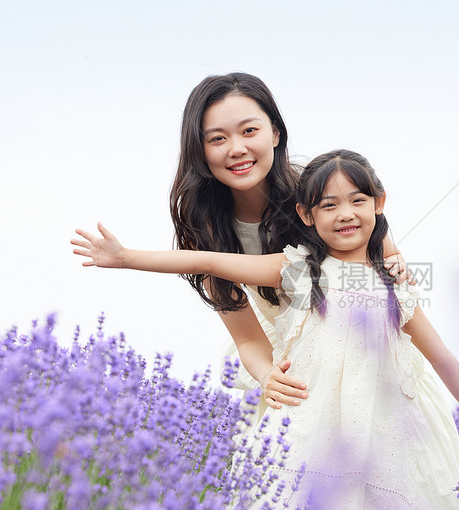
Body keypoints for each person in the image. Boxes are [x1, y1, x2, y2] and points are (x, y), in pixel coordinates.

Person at [72, 149, 459, 510]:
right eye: (329, 205)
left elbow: (440, 354)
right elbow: (209, 259)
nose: (345, 214)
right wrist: (125, 258)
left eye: (358, 200)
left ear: (379, 203)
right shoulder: (297, 269)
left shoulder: (396, 285)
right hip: (309, 419)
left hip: (381, 426)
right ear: (306, 215)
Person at [167, 73, 411, 412]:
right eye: (218, 138)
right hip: (280, 352)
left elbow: (386, 256)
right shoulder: (206, 229)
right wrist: (269, 376)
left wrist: (397, 262)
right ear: (200, 149)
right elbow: (247, 337)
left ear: (275, 133)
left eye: (249, 131)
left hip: (357, 344)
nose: (237, 148)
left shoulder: (316, 194)